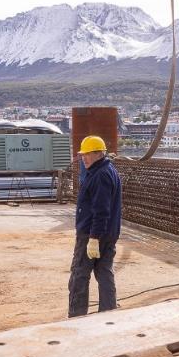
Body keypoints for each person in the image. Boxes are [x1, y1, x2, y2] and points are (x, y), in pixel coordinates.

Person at [68, 135, 122, 317]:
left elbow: (101, 211)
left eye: (88, 154)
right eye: (83, 154)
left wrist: (93, 238)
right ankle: (108, 313)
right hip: (107, 234)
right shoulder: (106, 170)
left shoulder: (100, 176)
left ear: (99, 154)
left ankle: (77, 316)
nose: (84, 158)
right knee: (104, 272)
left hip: (93, 234)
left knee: (79, 276)